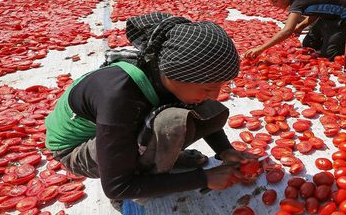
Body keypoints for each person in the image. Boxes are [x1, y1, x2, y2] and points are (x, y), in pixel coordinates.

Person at [45, 12, 259, 200]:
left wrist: (225, 150)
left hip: (115, 129)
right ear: (177, 74)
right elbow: (117, 187)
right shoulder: (119, 97)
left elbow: (205, 112)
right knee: (171, 122)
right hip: (76, 150)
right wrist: (203, 178)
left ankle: (157, 162)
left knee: (205, 108)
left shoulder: (160, 69)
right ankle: (146, 178)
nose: (216, 94)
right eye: (209, 86)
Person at [243, 0, 346, 61]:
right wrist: (301, 26)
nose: (274, 5)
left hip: (345, 17)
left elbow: (287, 31)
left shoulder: (298, 2)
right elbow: (317, 11)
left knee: (330, 55)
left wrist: (260, 49)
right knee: (309, 45)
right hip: (328, 16)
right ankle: (332, 36)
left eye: (275, 1)